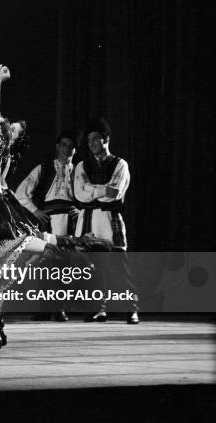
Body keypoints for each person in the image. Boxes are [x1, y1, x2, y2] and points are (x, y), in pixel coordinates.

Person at [73, 116, 139, 324]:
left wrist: (91, 190)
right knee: (93, 267)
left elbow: (115, 193)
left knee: (118, 266)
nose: (92, 144)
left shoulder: (120, 164)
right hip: (88, 218)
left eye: (95, 139)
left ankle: (131, 308)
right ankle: (98, 308)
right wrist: (101, 190)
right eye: (89, 140)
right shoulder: (82, 165)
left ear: (105, 138)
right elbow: (79, 194)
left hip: (109, 218)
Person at [16, 130, 79, 321]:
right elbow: (21, 192)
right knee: (46, 262)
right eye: (64, 144)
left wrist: (79, 211)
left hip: (71, 220)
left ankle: (60, 307)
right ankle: (44, 307)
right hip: (50, 219)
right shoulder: (44, 168)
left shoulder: (79, 171)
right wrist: (35, 211)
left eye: (71, 146)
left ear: (75, 150)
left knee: (65, 264)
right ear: (57, 147)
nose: (66, 149)